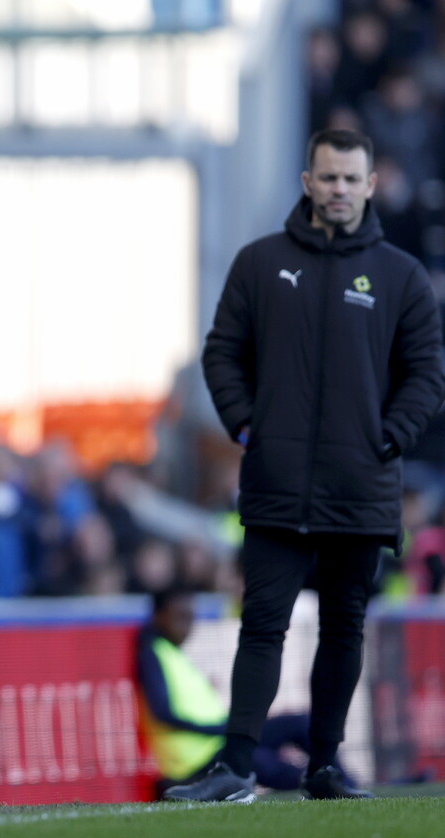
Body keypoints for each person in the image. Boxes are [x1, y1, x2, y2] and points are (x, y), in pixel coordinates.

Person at [167, 129, 444, 803]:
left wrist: (389, 438)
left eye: (351, 178)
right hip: (277, 482)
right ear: (307, 181)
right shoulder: (260, 263)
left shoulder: (401, 276)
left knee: (344, 628)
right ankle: (236, 768)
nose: (339, 189)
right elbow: (221, 352)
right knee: (262, 625)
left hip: (360, 485)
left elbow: (427, 374)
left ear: (370, 186)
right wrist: (245, 424)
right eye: (328, 177)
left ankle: (325, 766)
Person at [137, 587, 346, 800]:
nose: (187, 626)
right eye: (179, 617)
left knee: (300, 723)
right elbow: (163, 713)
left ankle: (342, 781)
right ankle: (325, 785)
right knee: (269, 764)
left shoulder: (173, 653)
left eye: (191, 618)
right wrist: (218, 729)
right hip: (200, 756)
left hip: (221, 739)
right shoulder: (152, 654)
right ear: (159, 616)